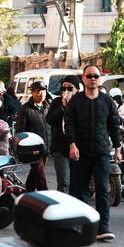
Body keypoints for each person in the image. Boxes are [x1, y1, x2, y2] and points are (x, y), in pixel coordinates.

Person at [64, 65, 122, 241]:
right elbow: (69, 123)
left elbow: (114, 125)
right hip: (79, 152)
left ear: (99, 79)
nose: (92, 78)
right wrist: (72, 144)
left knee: (103, 190)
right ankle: (82, 226)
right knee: (78, 190)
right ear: (83, 78)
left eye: (96, 76)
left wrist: (118, 148)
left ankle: (102, 227)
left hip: (101, 153)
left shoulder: (107, 101)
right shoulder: (76, 101)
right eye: (89, 76)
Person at [46, 75, 81, 193]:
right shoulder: (56, 102)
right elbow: (49, 120)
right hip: (60, 148)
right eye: (63, 88)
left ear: (77, 89)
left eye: (70, 88)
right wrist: (62, 107)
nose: (66, 91)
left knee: (76, 182)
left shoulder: (81, 102)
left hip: (78, 148)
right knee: (64, 182)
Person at [15, 81, 50, 192]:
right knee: (40, 176)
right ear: (32, 93)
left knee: (34, 174)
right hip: (33, 148)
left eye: (43, 91)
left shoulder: (48, 106)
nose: (40, 93)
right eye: (37, 91)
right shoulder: (25, 109)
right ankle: (45, 198)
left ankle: (27, 193)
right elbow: (20, 130)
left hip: (46, 146)